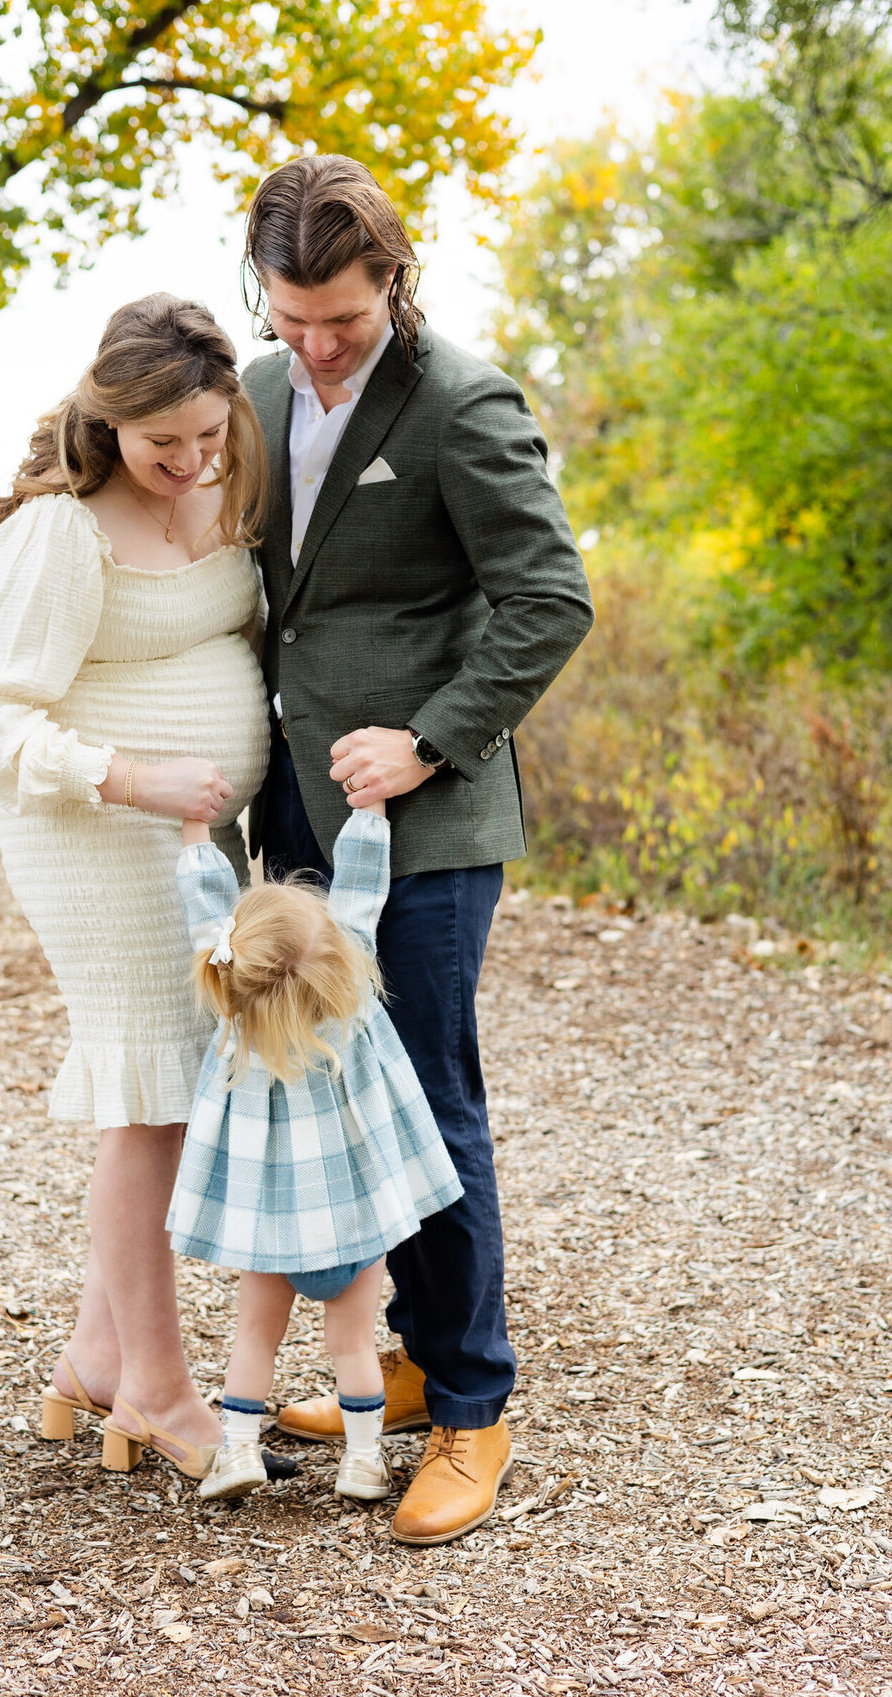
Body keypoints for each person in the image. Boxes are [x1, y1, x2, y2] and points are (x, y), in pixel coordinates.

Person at [239, 156, 595, 1544]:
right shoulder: (257, 396)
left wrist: (432, 738)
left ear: (393, 272)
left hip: (430, 820)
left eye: (345, 314)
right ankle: (388, 1359)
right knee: (324, 1103)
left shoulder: (460, 398)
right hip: (292, 813)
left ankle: (474, 1406)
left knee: (429, 1102)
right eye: (294, 317)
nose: (320, 345)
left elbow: (548, 597)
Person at [0, 293, 273, 1477]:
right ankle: (158, 1389)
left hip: (191, 846)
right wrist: (131, 777)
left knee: (182, 1098)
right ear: (109, 419)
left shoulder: (229, 484)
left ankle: (93, 1358)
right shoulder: (63, 529)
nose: (189, 467)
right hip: (99, 838)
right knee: (152, 1107)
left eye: (207, 437)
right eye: (160, 446)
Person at [103, 798, 463, 1502]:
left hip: (268, 1234)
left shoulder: (236, 1018)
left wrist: (194, 832)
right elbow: (363, 888)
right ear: (333, 954)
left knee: (254, 1343)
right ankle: (363, 1462)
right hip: (356, 1226)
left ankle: (236, 1449)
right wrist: (368, 811)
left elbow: (207, 913)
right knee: (352, 1345)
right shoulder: (349, 1000)